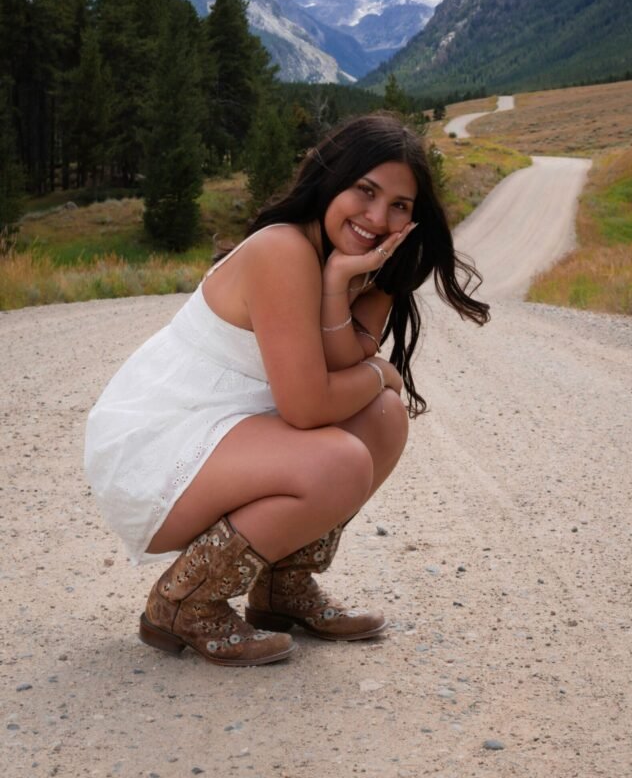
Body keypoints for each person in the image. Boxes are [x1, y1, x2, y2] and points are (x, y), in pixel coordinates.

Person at [84, 113, 489, 668]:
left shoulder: (374, 271)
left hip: (229, 438)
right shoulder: (281, 249)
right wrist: (381, 371)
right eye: (365, 191)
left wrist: (334, 287)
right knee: (340, 460)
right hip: (157, 446)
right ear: (331, 178)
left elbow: (343, 358)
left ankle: (281, 588)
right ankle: (184, 602)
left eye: (399, 205)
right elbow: (307, 407)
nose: (377, 217)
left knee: (384, 418)